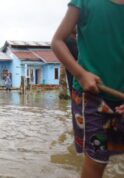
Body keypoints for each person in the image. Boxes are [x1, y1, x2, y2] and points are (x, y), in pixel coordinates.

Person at [51, 0, 124, 178]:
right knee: (97, 158)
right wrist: (81, 74)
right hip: (91, 96)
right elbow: (57, 41)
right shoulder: (85, 2)